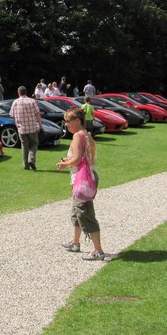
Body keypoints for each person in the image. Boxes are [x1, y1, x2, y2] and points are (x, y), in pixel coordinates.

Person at [57, 108, 106, 260]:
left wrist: (65, 164)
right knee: (76, 212)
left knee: (86, 214)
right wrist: (70, 161)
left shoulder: (78, 136)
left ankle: (98, 251)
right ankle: (75, 242)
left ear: (77, 121)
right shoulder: (87, 135)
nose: (66, 125)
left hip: (82, 179)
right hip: (89, 176)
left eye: (68, 121)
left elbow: (77, 160)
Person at [9, 85, 44, 170]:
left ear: (18, 93)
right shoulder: (32, 101)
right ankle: (31, 159)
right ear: (26, 92)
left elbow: (12, 115)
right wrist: (41, 125)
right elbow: (37, 114)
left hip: (21, 128)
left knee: (24, 146)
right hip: (32, 127)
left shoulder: (15, 102)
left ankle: (26, 165)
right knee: (34, 144)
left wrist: (17, 123)